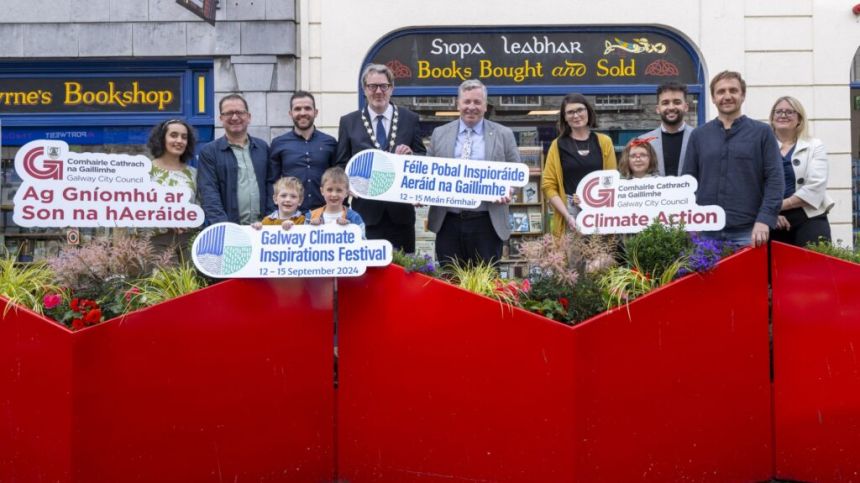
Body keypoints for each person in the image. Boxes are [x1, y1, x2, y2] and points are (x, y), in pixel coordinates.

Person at [682, 71, 783, 247]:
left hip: (749, 231)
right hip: (706, 231)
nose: (727, 96)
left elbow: (775, 180)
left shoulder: (762, 133)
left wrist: (765, 219)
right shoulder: (699, 135)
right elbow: (688, 183)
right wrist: (690, 221)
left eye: (733, 91)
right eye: (721, 92)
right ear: (713, 98)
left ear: (743, 95)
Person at [426, 79, 520, 266]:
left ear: (485, 106)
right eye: (467, 101)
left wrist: (509, 189)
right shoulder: (439, 133)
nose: (471, 107)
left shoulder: (504, 134)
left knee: (486, 285)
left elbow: (516, 172)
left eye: (477, 102)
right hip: (448, 222)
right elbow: (427, 172)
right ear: (458, 104)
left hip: (486, 221)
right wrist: (420, 192)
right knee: (449, 281)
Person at [335, 63, 425, 252]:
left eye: (383, 86)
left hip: (401, 215)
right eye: (372, 86)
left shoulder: (410, 119)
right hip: (366, 214)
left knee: (403, 272)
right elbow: (341, 163)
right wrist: (347, 188)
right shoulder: (348, 122)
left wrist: (411, 155)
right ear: (364, 89)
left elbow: (422, 158)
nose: (378, 91)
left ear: (391, 88)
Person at [541, 93, 617, 237]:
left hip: (599, 210)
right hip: (569, 211)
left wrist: (593, 200)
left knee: (600, 257)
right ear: (564, 117)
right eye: (570, 112)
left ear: (588, 111)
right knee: (572, 259)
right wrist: (567, 215)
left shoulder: (604, 142)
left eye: (580, 110)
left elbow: (611, 181)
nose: (576, 115)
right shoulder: (557, 145)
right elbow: (548, 186)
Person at [198, 93, 274, 226]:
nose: (234, 117)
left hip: (262, 229)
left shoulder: (262, 147)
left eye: (240, 112)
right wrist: (225, 228)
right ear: (221, 118)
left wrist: (270, 221)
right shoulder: (209, 152)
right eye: (228, 113)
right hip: (230, 230)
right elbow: (209, 193)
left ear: (248, 117)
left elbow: (271, 185)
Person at [769, 96, 834, 246]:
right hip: (772, 219)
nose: (783, 115)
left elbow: (815, 187)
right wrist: (770, 213)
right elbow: (752, 185)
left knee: (812, 267)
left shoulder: (815, 146)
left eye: (789, 112)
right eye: (778, 111)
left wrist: (774, 207)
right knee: (772, 268)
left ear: (799, 119)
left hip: (809, 217)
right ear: (772, 118)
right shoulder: (761, 147)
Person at [269, 91, 337, 213]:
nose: (302, 113)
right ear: (290, 113)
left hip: (324, 215)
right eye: (297, 109)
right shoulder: (278, 143)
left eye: (307, 108)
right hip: (290, 218)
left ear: (315, 112)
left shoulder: (330, 143)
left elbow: (338, 179)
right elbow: (272, 182)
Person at [146, 118, 199, 261]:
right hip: (156, 241)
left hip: (189, 242)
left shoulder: (194, 174)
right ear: (161, 139)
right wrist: (166, 218)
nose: (179, 140)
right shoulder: (144, 172)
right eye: (174, 135)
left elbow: (201, 210)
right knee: (165, 283)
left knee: (195, 283)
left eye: (184, 137)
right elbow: (133, 211)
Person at [638, 82, 693, 176]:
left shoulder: (699, 137)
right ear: (658, 109)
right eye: (665, 103)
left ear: (686, 107)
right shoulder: (643, 142)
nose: (671, 107)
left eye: (677, 102)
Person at [306, 167, 365, 236]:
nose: (334, 194)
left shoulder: (354, 218)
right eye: (329, 190)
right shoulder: (311, 216)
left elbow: (363, 242)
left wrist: (349, 229)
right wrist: (310, 228)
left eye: (339, 190)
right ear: (322, 191)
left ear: (346, 193)